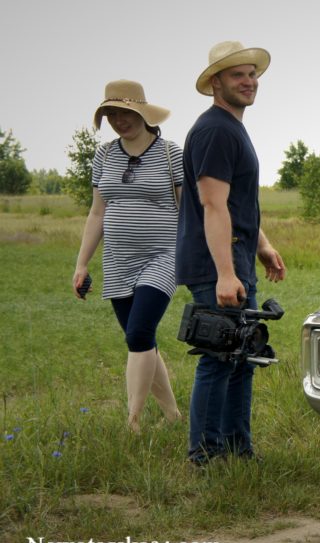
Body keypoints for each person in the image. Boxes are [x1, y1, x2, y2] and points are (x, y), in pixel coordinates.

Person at [177, 41, 286, 466]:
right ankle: (204, 456)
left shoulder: (232, 128)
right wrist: (224, 273)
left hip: (237, 257)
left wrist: (263, 246)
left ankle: (239, 450)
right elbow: (213, 204)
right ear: (216, 83)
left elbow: (238, 204)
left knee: (243, 358)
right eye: (238, 75)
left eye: (252, 74)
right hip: (216, 263)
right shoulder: (215, 130)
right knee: (221, 357)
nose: (249, 81)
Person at [73, 79, 183, 433]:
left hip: (164, 256)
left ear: (143, 113)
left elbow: (189, 210)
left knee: (138, 333)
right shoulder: (104, 155)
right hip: (118, 261)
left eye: (126, 112)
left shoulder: (171, 153)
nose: (120, 120)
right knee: (143, 342)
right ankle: (173, 416)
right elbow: (97, 212)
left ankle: (132, 421)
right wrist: (81, 263)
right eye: (112, 114)